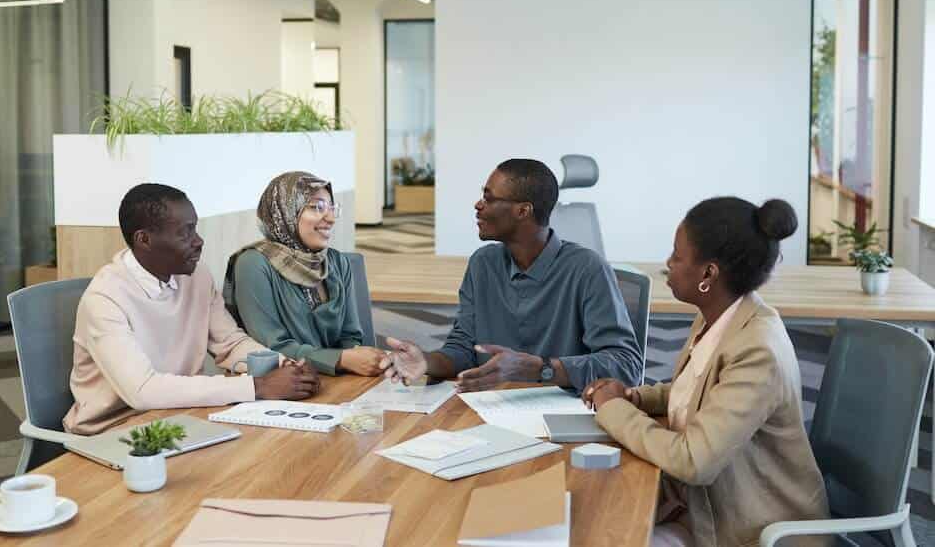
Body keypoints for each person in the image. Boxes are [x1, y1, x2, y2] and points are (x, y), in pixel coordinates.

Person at [583, 197, 829, 546]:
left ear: (708, 274)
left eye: (677, 255)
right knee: (594, 519)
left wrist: (613, 408)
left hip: (749, 527)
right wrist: (635, 397)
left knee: (606, 530)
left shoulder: (757, 348)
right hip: (701, 508)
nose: (667, 264)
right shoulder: (720, 315)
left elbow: (693, 460)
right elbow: (697, 392)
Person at [63, 183, 320, 436]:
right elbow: (143, 390)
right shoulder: (104, 298)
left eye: (194, 229)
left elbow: (230, 343)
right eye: (185, 233)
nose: (199, 241)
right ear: (145, 240)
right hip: (110, 431)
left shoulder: (196, 276)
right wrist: (258, 386)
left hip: (179, 417)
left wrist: (286, 365)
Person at [380, 158, 642, 393]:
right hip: (492, 410)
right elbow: (463, 350)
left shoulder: (588, 269)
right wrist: (426, 361)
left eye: (489, 198)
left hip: (566, 414)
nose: (478, 204)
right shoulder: (483, 264)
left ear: (522, 211)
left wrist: (542, 369)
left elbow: (626, 365)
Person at [223, 172, 386, 376]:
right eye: (317, 207)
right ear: (286, 211)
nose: (330, 218)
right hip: (282, 384)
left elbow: (351, 335)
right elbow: (271, 347)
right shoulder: (254, 264)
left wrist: (355, 358)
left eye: (332, 208)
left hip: (342, 379)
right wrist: (339, 360)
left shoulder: (336, 262)